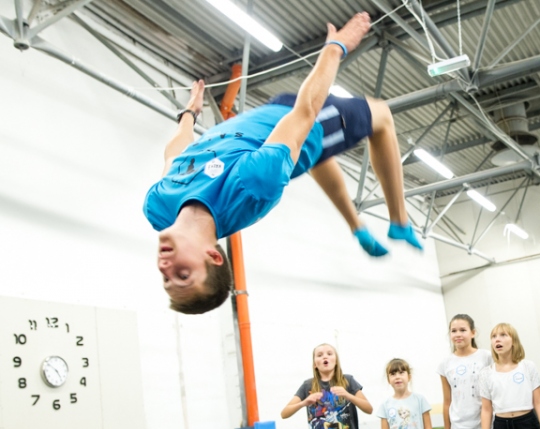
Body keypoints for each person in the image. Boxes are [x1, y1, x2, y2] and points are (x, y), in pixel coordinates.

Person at [145, 12, 423, 315]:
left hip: (271, 113)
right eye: (183, 276)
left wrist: (190, 113)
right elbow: (306, 112)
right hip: (305, 124)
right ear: (213, 257)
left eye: (165, 278)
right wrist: (337, 47)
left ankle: (358, 228)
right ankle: (399, 222)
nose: (166, 267)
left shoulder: (159, 207)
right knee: (381, 115)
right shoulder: (250, 187)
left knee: (315, 158)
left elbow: (175, 154)